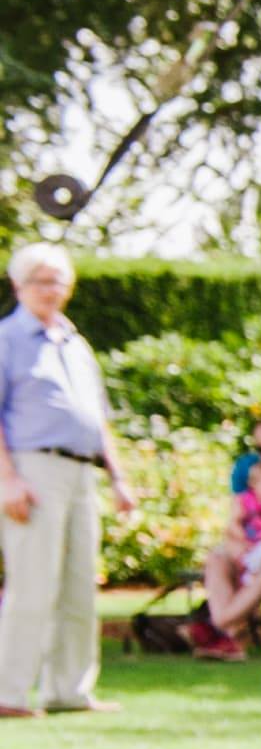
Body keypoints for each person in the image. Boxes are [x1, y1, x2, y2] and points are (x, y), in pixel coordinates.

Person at [0, 242, 136, 717]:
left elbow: (97, 420)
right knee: (33, 582)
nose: (51, 290)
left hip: (82, 472)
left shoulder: (76, 344)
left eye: (58, 281)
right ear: (19, 286)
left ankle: (69, 691)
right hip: (30, 468)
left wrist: (118, 479)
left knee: (80, 585)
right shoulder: (7, 339)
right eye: (40, 280)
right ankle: (8, 693)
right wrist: (8, 482)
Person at [191, 413, 261, 654]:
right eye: (260, 449)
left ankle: (221, 624)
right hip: (251, 545)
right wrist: (240, 546)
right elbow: (234, 520)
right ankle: (231, 634)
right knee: (217, 559)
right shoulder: (248, 468)